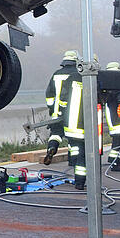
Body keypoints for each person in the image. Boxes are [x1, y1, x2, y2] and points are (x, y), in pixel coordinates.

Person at [44, 50, 86, 189]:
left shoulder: (56, 74)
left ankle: (51, 148)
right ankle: (78, 177)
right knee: (77, 145)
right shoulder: (79, 75)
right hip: (73, 117)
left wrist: (52, 109)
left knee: (56, 135)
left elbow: (49, 95)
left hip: (57, 114)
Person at [103, 61, 120, 172]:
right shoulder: (118, 83)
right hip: (119, 119)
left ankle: (114, 160)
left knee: (117, 141)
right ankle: (117, 163)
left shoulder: (106, 83)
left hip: (112, 118)